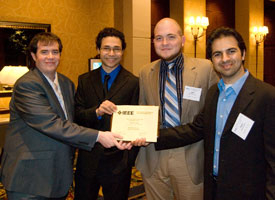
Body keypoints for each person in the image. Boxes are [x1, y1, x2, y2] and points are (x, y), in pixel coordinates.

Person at [0, 32, 129, 200]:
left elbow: (73, 119)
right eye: (44, 52)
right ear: (33, 56)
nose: (50, 57)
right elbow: (52, 124)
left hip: (59, 173)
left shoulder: (66, 83)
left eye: (55, 52)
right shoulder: (27, 85)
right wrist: (98, 136)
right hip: (30, 177)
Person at [155, 27, 275, 200]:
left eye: (231, 51)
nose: (225, 59)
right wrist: (151, 135)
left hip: (249, 193)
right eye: (217, 54)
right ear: (212, 60)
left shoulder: (267, 96)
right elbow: (195, 129)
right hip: (213, 189)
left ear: (243, 54)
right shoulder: (213, 93)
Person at [135, 18, 218, 200]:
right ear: (153, 42)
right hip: (153, 154)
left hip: (190, 155)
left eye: (171, 37)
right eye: (159, 38)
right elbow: (142, 108)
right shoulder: (145, 72)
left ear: (182, 40)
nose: (164, 43)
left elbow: (214, 113)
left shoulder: (206, 69)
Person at [74, 27, 139, 200]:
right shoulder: (84, 80)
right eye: (106, 48)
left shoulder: (134, 82)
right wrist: (97, 112)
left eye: (116, 49)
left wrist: (129, 158)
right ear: (98, 50)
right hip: (88, 158)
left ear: (123, 51)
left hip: (119, 161)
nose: (111, 53)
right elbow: (77, 116)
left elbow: (137, 120)